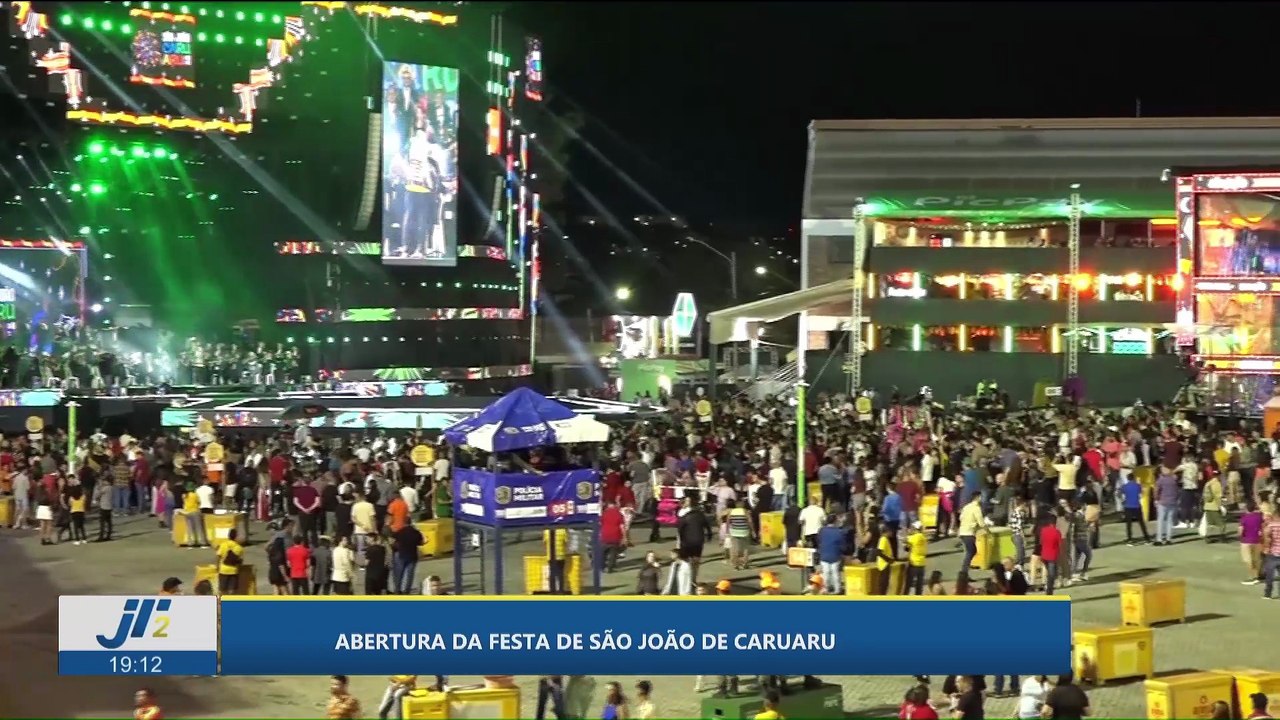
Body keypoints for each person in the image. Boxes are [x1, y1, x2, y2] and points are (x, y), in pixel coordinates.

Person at [816, 513, 846, 594]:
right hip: (835, 555)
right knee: (835, 573)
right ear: (835, 521)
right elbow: (843, 546)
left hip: (824, 554)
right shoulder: (839, 532)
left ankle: (826, 588)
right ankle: (837, 589)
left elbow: (818, 541)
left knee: (826, 573)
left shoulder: (822, 530)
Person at [392, 521, 424, 594]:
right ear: (412, 524)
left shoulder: (400, 532)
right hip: (412, 556)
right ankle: (407, 590)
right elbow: (420, 543)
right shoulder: (416, 532)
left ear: (405, 523)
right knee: (410, 575)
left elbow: (394, 540)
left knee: (399, 574)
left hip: (401, 555)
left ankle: (397, 590)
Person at [1241, 500, 1264, 584]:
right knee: (1257, 559)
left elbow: (1241, 530)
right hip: (1257, 540)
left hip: (1246, 541)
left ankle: (1252, 577)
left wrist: (1240, 536)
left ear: (1246, 508)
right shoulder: (1259, 516)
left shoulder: (1244, 517)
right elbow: (1262, 526)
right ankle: (1258, 575)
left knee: (1248, 559)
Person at [215, 528, 244, 595]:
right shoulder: (239, 548)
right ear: (236, 537)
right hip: (233, 571)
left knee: (222, 589)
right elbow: (240, 561)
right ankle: (230, 601)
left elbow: (218, 556)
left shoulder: (223, 545)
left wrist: (217, 566)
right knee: (232, 589)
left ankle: (222, 602)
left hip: (223, 570)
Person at [905, 521, 928, 595]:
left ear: (916, 528)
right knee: (919, 584)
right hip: (922, 562)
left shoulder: (912, 538)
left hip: (913, 563)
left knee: (908, 583)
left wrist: (908, 534)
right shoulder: (924, 538)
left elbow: (906, 548)